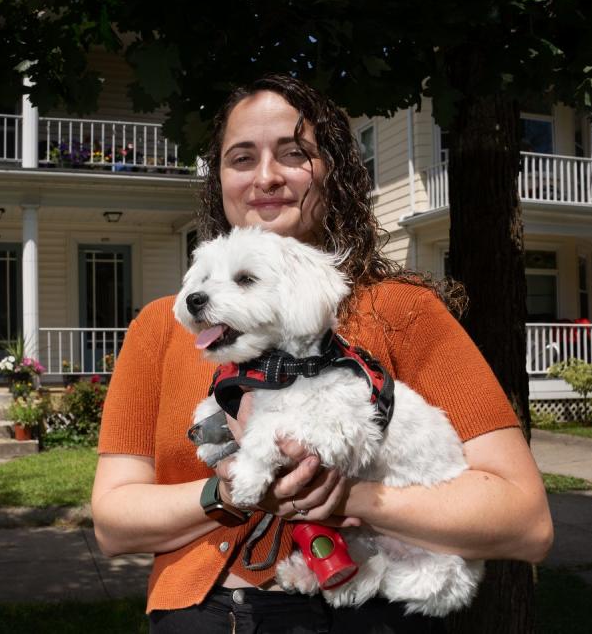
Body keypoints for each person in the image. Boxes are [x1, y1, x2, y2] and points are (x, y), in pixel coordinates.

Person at [91, 74, 553, 633]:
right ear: (219, 181)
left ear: (333, 170)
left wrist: (351, 498)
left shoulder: (402, 312)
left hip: (374, 614)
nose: (266, 176)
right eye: (242, 158)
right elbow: (114, 524)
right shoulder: (161, 329)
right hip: (210, 615)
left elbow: (525, 521)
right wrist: (231, 488)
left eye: (293, 153)